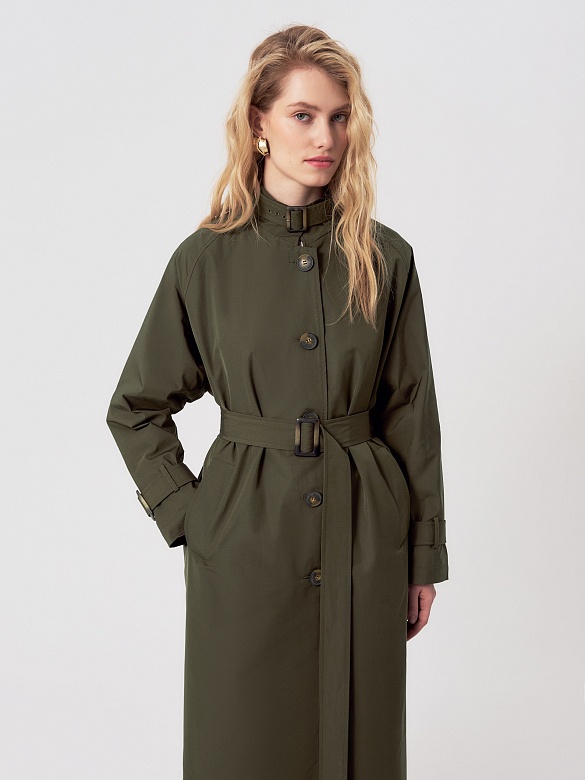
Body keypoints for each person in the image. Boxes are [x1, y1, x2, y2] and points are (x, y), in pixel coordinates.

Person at [106, 23, 448, 780]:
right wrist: (191, 515)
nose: (324, 136)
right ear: (259, 123)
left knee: (360, 748)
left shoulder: (384, 258)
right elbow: (136, 406)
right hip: (244, 541)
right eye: (302, 114)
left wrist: (422, 556)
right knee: (241, 744)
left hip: (364, 537)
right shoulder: (205, 261)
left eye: (338, 116)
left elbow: (410, 410)